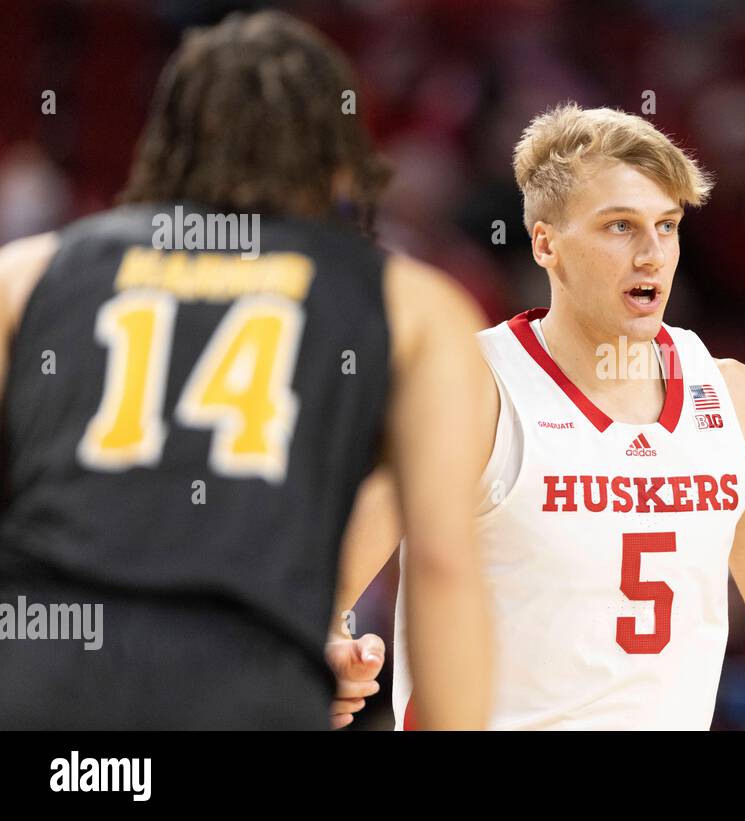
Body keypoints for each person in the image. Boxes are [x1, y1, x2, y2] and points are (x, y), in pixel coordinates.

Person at [335, 104, 745, 731]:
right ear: (546, 243)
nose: (650, 252)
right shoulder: (467, 392)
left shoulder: (739, 401)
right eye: (619, 226)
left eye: (666, 225)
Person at [0, 11, 492, 730]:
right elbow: (444, 567)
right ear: (340, 159)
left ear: (165, 137)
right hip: (242, 690)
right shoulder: (413, 305)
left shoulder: (27, 272)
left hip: (43, 686)